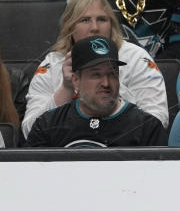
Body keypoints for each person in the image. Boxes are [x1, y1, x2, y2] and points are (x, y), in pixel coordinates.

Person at [22, 0, 168, 139]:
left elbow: (157, 121)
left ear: (112, 25)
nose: (95, 27)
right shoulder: (52, 64)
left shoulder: (136, 57)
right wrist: (66, 88)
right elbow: (30, 131)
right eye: (85, 20)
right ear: (70, 27)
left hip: (123, 147)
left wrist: (108, 87)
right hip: (67, 150)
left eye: (102, 19)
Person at [25, 36, 167, 148]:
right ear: (75, 80)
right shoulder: (47, 125)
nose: (106, 83)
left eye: (112, 74)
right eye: (96, 75)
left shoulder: (147, 127)